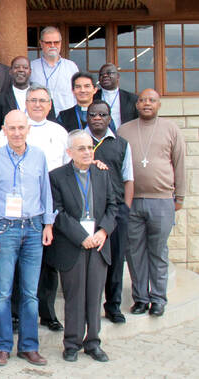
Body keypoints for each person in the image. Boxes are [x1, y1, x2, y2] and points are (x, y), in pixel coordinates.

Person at [0, 84, 69, 332]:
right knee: (13, 267)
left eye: (42, 101)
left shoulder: (59, 131)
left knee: (47, 263)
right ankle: (15, 315)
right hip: (14, 210)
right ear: (25, 104)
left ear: (50, 105)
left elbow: (72, 163)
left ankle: (47, 313)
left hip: (48, 201)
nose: (37, 104)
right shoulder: (14, 126)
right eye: (33, 100)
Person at [0, 110, 54, 367]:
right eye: (11, 128)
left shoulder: (39, 157)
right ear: (4, 129)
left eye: (21, 127)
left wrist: (48, 225)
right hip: (4, 230)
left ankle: (29, 346)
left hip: (34, 229)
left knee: (30, 293)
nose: (17, 133)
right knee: (2, 293)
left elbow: (46, 192)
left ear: (28, 129)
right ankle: (1, 347)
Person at [47, 129, 118, 363]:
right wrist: (80, 236)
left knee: (95, 295)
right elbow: (58, 212)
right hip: (72, 245)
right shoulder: (56, 177)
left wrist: (103, 231)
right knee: (74, 297)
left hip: (98, 245)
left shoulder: (102, 174)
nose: (87, 152)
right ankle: (72, 343)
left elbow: (112, 206)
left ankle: (93, 343)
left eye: (90, 148)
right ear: (69, 152)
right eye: (81, 148)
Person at [118, 89, 185, 317]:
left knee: (157, 252)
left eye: (152, 100)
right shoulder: (124, 130)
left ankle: (158, 299)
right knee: (134, 253)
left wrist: (181, 196)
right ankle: (140, 299)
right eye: (143, 100)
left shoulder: (171, 129)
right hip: (132, 202)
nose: (147, 104)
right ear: (137, 105)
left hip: (162, 200)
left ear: (158, 105)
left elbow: (180, 164)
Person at [86, 100, 134, 324]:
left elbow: (128, 178)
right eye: (93, 114)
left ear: (109, 118)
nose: (97, 118)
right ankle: (89, 307)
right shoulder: (79, 142)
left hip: (115, 211)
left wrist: (126, 207)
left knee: (115, 260)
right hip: (86, 211)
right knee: (89, 262)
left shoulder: (121, 144)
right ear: (87, 117)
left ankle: (113, 306)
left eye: (102, 114)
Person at [0, 56, 56, 133]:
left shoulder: (44, 97)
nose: (21, 70)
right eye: (16, 67)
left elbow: (52, 125)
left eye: (25, 67)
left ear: (30, 72)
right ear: (10, 71)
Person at [30, 26, 80, 116]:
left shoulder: (71, 67)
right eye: (48, 43)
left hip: (67, 118)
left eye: (56, 42)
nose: (53, 45)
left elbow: (78, 94)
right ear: (41, 43)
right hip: (40, 117)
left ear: (60, 43)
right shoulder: (32, 67)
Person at [94, 63, 139, 131]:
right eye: (101, 74)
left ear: (118, 76)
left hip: (124, 137)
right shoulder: (92, 97)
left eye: (109, 73)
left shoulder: (132, 99)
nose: (105, 75)